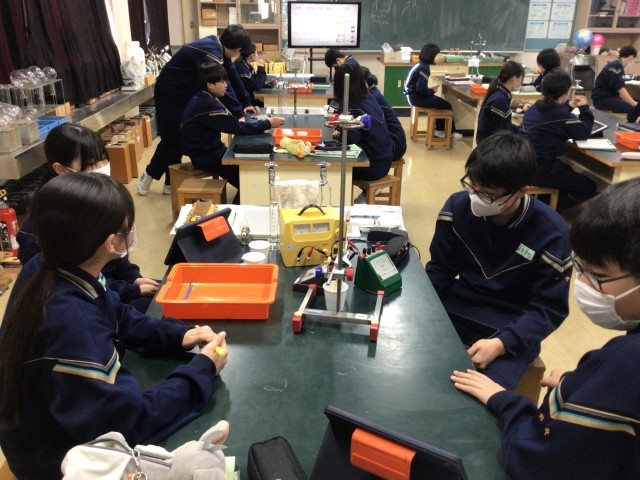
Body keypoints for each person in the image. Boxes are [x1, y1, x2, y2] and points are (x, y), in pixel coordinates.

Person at [0, 173, 228, 480]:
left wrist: (177, 335)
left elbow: (117, 311)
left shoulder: (50, 266)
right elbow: (129, 424)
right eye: (129, 227)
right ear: (112, 243)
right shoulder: (73, 325)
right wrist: (201, 370)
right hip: (59, 463)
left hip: (49, 435)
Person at [451, 178, 640, 479]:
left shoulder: (625, 362)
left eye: (599, 275)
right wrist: (581, 386)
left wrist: (504, 399)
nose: (583, 284)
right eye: (581, 269)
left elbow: (535, 460)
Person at [426, 131, 571, 390]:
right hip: (455, 308)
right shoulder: (457, 208)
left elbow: (548, 308)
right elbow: (440, 270)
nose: (476, 198)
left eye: (489, 194)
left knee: (481, 396)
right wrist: (421, 311)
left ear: (522, 191)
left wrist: (502, 343)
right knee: (415, 363)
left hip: (511, 325)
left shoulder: (551, 233)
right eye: (472, 186)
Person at [17, 123, 159, 313]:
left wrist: (133, 277)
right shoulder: (46, 224)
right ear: (61, 169)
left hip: (110, 289)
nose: (102, 168)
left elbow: (116, 255)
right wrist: (131, 290)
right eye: (91, 164)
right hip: (88, 301)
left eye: (103, 159)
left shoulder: (97, 197)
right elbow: (78, 285)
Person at [136, 25, 258, 197]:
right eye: (238, 51)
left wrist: (245, 103)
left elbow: (231, 75)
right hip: (170, 93)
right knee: (172, 139)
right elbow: (224, 84)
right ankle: (149, 174)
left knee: (179, 137)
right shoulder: (209, 52)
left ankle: (170, 182)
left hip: (187, 92)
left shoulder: (219, 47)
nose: (237, 54)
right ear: (235, 48)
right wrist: (238, 113)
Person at [180, 63, 285, 201]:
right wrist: (268, 123)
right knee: (249, 180)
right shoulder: (207, 104)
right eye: (222, 82)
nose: (226, 85)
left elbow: (226, 118)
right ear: (210, 84)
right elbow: (237, 127)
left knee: (249, 174)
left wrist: (244, 110)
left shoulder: (202, 97)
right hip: (207, 157)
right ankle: (235, 210)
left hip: (207, 151)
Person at [518, 70, 597, 212]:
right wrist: (585, 108)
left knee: (567, 171)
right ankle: (554, 210)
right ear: (567, 92)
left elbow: (554, 117)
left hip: (522, 164)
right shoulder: (560, 115)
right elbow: (584, 132)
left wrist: (568, 107)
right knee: (588, 186)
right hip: (540, 170)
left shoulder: (535, 107)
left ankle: (546, 203)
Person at [332, 63, 394, 188]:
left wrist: (340, 133)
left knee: (330, 168)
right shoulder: (369, 96)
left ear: (339, 83)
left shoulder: (348, 102)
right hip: (386, 159)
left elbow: (351, 139)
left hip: (371, 167)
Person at [404, 43, 463, 140]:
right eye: (437, 55)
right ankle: (449, 133)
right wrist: (431, 91)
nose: (438, 58)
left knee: (440, 104)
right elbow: (420, 89)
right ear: (432, 56)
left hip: (412, 96)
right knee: (446, 105)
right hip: (416, 98)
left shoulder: (420, 64)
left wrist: (430, 90)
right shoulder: (425, 68)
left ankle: (440, 130)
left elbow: (419, 87)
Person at [361, 66, 407, 160]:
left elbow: (368, 125)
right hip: (393, 142)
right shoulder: (373, 92)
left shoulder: (371, 97)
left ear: (364, 82)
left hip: (394, 146)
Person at [476, 60, 524, 144]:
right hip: (490, 146)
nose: (522, 81)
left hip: (489, 142)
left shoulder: (499, 93)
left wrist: (520, 129)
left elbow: (505, 126)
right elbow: (503, 132)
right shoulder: (500, 100)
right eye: (521, 78)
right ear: (514, 79)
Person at [592, 45, 638, 114]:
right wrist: (633, 103)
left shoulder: (617, 65)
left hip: (610, 97)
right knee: (633, 108)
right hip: (602, 99)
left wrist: (630, 101)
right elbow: (620, 88)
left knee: (634, 102)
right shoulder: (614, 67)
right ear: (631, 57)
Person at [235, 43, 267, 108]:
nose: (257, 55)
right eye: (256, 53)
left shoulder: (247, 65)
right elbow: (256, 85)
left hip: (249, 99)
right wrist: (260, 67)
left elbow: (255, 80)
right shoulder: (241, 68)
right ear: (252, 55)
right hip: (244, 103)